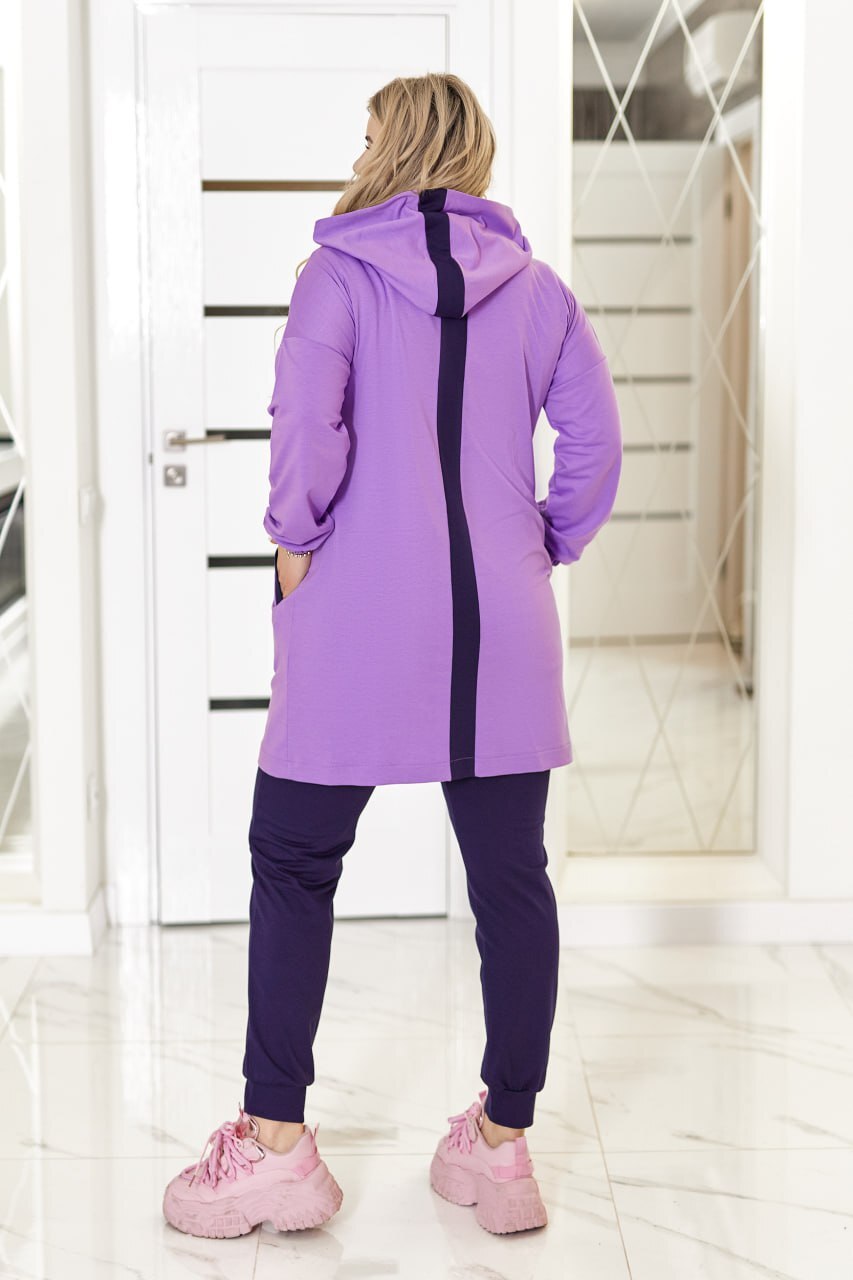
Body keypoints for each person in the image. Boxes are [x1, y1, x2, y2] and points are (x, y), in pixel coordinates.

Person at [163, 71, 622, 1241]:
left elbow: (304, 432)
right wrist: (542, 543)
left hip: (356, 614)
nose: (357, 152)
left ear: (397, 145)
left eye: (368, 134)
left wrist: (292, 545)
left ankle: (275, 1146)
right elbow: (595, 444)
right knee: (511, 880)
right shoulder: (542, 292)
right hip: (501, 628)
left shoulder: (336, 276)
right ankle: (502, 1145)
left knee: (292, 858)